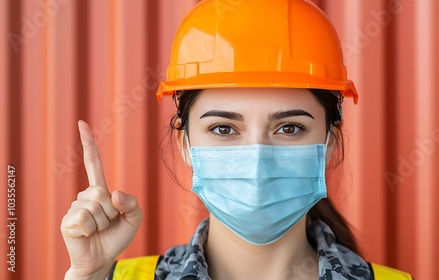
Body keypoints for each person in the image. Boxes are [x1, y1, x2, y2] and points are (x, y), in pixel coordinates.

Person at [60, 0, 413, 279]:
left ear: (329, 143)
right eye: (224, 129)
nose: (257, 161)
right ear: (185, 145)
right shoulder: (119, 279)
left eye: (289, 128)